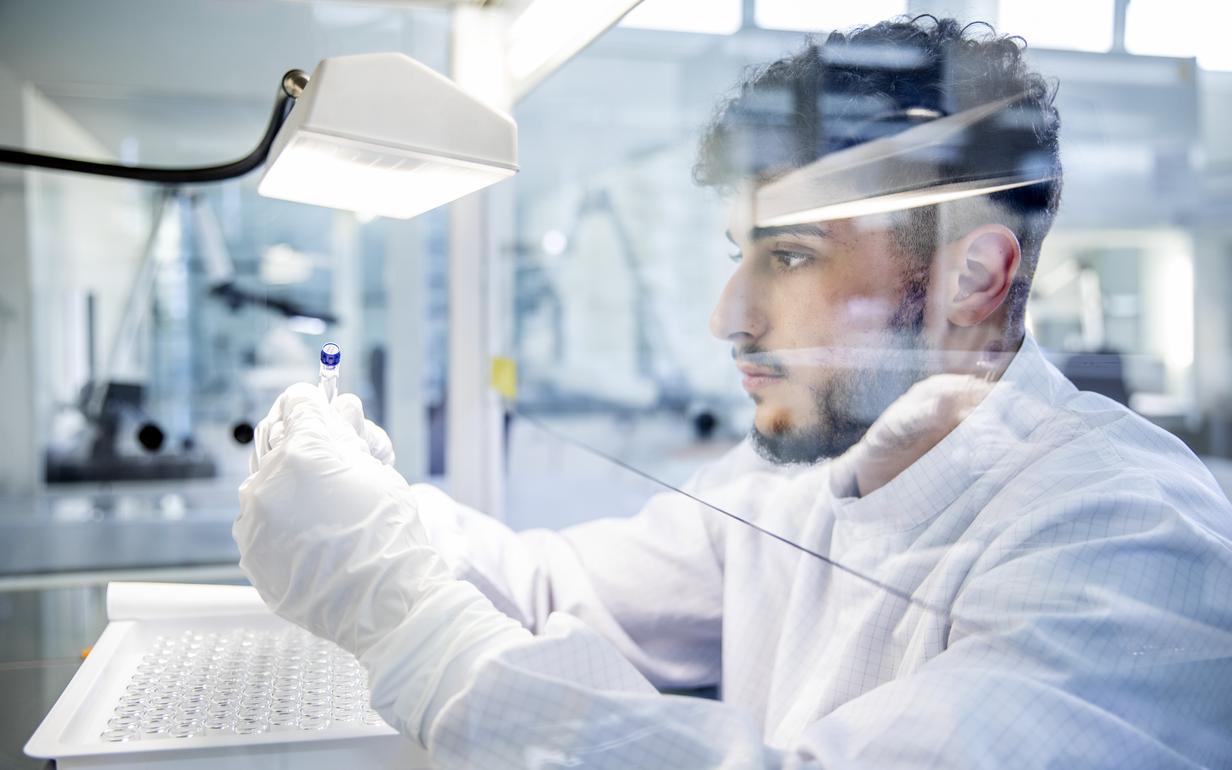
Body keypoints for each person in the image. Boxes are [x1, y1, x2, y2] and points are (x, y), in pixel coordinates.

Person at [234, 16, 1232, 769]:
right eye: (739, 256)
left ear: (973, 277)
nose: (728, 317)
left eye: (790, 256)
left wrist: (401, 610)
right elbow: (554, 592)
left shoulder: (1123, 542)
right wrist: (368, 510)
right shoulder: (795, 477)